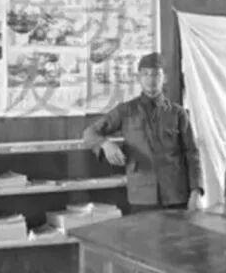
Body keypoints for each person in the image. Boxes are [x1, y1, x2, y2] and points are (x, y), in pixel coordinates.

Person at [83, 52, 204, 213]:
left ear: (164, 78)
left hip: (176, 195)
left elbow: (192, 153)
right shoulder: (126, 111)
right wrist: (105, 144)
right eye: (145, 74)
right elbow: (89, 133)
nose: (150, 79)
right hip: (142, 196)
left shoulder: (178, 113)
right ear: (139, 78)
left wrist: (196, 191)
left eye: (156, 74)